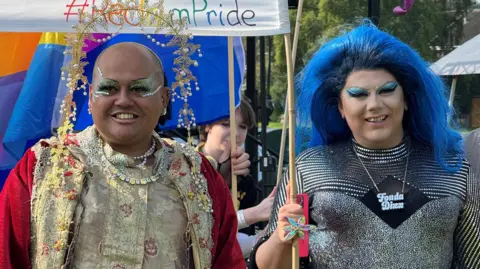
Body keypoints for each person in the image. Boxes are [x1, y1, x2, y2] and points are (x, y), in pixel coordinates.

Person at [250, 22, 479, 269]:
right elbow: (275, 265)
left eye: (387, 90)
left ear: (406, 99)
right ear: (340, 107)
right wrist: (282, 239)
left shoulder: (453, 169)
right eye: (359, 94)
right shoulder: (310, 170)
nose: (374, 105)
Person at [0, 42, 245, 269]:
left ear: (164, 99)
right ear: (91, 98)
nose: (124, 100)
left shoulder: (197, 174)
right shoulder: (42, 167)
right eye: (109, 88)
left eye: (140, 89)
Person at [197, 98, 276, 258]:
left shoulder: (245, 181)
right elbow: (200, 232)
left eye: (242, 126)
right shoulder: (187, 166)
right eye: (226, 124)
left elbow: (232, 244)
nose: (235, 133)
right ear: (207, 126)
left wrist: (267, 234)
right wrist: (252, 214)